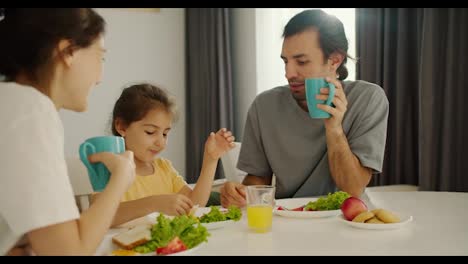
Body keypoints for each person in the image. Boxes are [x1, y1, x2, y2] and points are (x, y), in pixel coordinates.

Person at [220, 9, 389, 208]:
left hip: (346, 219)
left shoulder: (367, 99)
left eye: (301, 61)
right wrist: (239, 194)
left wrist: (334, 129)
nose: (289, 73)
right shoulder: (264, 106)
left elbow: (353, 188)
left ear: (334, 60)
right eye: (285, 61)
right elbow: (258, 180)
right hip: (288, 218)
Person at [0, 8, 136, 255]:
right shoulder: (30, 110)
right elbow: (69, 253)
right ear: (68, 51)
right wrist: (120, 178)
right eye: (101, 57)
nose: (100, 78)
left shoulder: (10, 103)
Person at [99, 83, 236, 227]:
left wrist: (211, 159)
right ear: (121, 126)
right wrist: (153, 204)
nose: (160, 142)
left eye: (165, 134)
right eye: (150, 132)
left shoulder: (163, 167)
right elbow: (100, 215)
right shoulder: (108, 167)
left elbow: (194, 204)